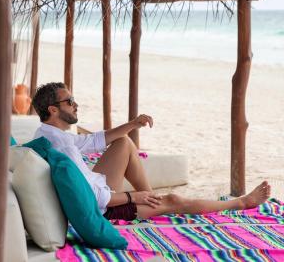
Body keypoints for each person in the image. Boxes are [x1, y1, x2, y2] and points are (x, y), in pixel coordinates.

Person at [31, 82, 271, 221]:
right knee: (175, 200)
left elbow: (93, 141)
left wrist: (133, 124)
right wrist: (132, 197)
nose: (76, 104)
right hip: (98, 209)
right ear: (53, 109)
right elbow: (95, 198)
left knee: (124, 142)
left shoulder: (47, 134)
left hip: (93, 189)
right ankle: (240, 203)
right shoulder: (60, 146)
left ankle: (153, 201)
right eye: (69, 101)